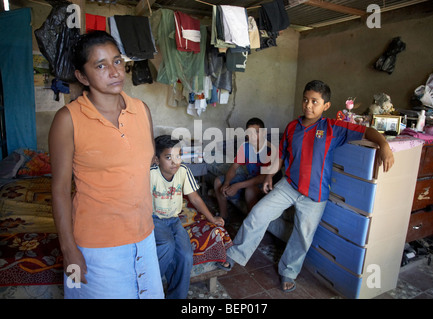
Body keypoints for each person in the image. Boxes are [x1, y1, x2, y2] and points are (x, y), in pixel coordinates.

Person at [217, 80, 394, 292]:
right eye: (305, 100)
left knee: (302, 236)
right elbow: (281, 156)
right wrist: (269, 177)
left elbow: (367, 131)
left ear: (325, 106)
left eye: (315, 102)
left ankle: (288, 271)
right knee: (258, 214)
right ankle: (236, 254)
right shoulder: (293, 127)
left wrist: (384, 145)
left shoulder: (333, 128)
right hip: (289, 186)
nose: (308, 105)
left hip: (315, 196)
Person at [49, 31, 164, 299]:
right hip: (95, 248)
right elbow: (60, 190)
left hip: (143, 238)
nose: (114, 72)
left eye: (117, 61)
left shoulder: (141, 109)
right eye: (100, 65)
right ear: (82, 76)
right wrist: (69, 251)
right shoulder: (67, 120)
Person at [151, 135, 225, 299]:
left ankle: (177, 296)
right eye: (168, 157)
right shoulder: (150, 174)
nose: (175, 162)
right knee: (167, 244)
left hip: (174, 220)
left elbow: (195, 198)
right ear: (156, 159)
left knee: (185, 255)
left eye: (178, 156)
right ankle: (149, 289)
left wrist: (212, 218)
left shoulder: (183, 171)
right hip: (155, 220)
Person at [214, 118, 274, 220]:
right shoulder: (245, 147)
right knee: (218, 182)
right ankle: (223, 217)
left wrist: (237, 186)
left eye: (257, 132)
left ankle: (250, 224)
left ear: (264, 133)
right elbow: (233, 167)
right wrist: (227, 183)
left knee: (249, 190)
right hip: (251, 177)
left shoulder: (269, 150)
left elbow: (263, 178)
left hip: (266, 183)